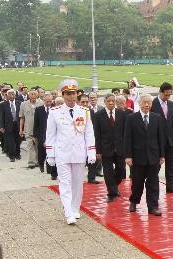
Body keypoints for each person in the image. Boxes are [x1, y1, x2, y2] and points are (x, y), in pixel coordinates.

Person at [45, 79, 96, 225]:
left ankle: (74, 208)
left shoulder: (85, 111)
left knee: (77, 183)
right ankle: (68, 211)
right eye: (67, 94)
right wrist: (51, 153)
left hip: (79, 152)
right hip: (62, 153)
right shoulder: (55, 112)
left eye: (73, 93)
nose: (71, 97)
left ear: (77, 94)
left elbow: (89, 133)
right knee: (65, 183)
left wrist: (91, 151)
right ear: (63, 95)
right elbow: (50, 135)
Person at [125, 94, 166, 216]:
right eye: (145, 102)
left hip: (153, 157)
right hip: (138, 158)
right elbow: (128, 139)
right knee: (137, 183)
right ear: (140, 103)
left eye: (149, 103)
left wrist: (162, 155)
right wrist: (128, 156)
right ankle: (134, 201)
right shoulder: (131, 118)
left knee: (153, 183)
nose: (147, 105)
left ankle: (153, 206)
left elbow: (160, 138)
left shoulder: (157, 118)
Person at [93, 94, 126, 202]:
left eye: (113, 101)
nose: (111, 103)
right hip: (105, 148)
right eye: (109, 101)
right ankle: (112, 193)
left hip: (120, 148)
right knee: (108, 172)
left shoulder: (122, 114)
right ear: (105, 102)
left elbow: (125, 132)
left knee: (121, 169)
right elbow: (97, 134)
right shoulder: (98, 115)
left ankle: (114, 186)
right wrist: (98, 151)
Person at [151, 82, 173, 193]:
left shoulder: (172, 104)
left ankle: (170, 186)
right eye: (166, 94)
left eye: (170, 94)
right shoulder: (152, 104)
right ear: (160, 92)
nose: (168, 97)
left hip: (170, 140)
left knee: (170, 165)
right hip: (157, 141)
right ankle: (152, 184)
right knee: (156, 165)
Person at [34, 93, 57, 179]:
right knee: (41, 152)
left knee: (50, 151)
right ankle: (41, 164)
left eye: (50, 101)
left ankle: (49, 169)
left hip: (51, 134)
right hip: (41, 134)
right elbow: (36, 124)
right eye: (47, 101)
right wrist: (35, 136)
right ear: (43, 101)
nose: (49, 103)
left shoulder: (54, 109)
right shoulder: (38, 109)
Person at [18, 89, 42, 169]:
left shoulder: (41, 103)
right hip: (28, 129)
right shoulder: (23, 104)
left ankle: (38, 161)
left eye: (35, 94)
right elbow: (22, 117)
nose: (33, 95)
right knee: (30, 146)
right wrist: (21, 129)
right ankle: (31, 162)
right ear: (29, 95)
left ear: (37, 95)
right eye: (31, 94)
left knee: (38, 146)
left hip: (38, 129)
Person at [0, 89, 22, 162]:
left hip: (18, 124)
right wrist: (1, 126)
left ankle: (17, 154)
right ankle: (12, 156)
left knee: (18, 140)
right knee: (10, 141)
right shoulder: (3, 105)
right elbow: (1, 116)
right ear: (7, 95)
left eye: (13, 94)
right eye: (11, 94)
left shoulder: (20, 103)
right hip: (8, 125)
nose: (12, 95)